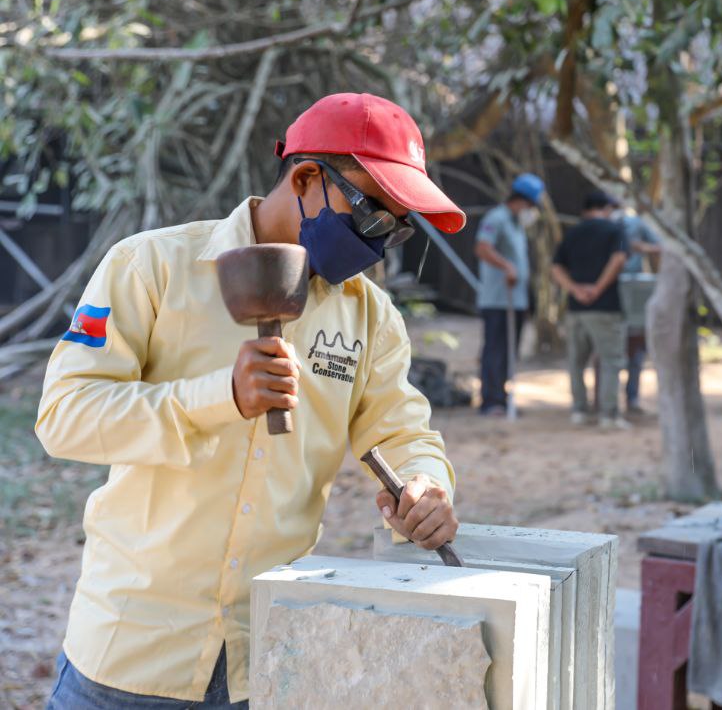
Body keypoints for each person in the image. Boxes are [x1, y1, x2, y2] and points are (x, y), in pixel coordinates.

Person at [37, 93, 464, 708]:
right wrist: (221, 397)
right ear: (307, 178)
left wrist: (425, 484)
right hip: (130, 653)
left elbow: (402, 432)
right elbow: (65, 416)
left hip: (266, 659)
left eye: (397, 228)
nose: (379, 241)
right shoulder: (152, 266)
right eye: (373, 214)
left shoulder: (369, 316)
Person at [551, 190, 629, 429]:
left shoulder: (572, 233)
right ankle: (609, 415)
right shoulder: (615, 231)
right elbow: (619, 259)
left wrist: (574, 290)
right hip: (605, 308)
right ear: (606, 208)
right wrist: (597, 288)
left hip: (576, 309)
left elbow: (556, 268)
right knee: (610, 361)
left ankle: (579, 411)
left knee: (576, 362)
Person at [473, 172, 545, 416]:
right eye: (531, 205)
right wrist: (507, 267)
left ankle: (503, 398)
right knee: (495, 349)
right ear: (522, 200)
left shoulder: (516, 224)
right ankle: (490, 400)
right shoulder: (497, 218)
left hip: (516, 299)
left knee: (509, 351)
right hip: (498, 299)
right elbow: (482, 248)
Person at [616, 206, 660, 414]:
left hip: (634, 293)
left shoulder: (637, 222)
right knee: (609, 355)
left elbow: (659, 247)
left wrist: (640, 247)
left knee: (636, 349)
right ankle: (607, 403)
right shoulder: (604, 222)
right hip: (609, 295)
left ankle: (630, 398)